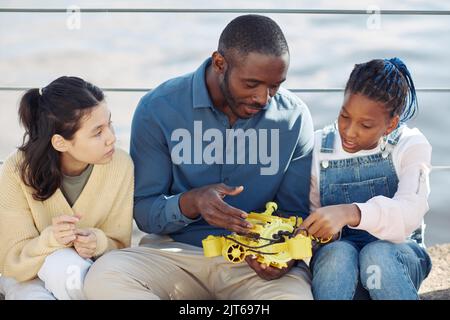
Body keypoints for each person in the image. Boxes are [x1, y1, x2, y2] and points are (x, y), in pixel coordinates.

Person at [84, 14, 315, 300]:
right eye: (252, 84)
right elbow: (143, 210)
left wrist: (283, 256)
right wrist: (191, 203)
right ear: (220, 63)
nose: (263, 98)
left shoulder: (294, 118)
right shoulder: (158, 108)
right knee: (104, 278)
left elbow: (296, 214)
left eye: (275, 86)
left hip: (253, 265)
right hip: (174, 256)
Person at [302, 58, 432, 300]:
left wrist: (350, 213)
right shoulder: (319, 146)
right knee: (337, 254)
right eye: (344, 116)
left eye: (365, 125)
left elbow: (409, 214)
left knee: (377, 254)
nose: (349, 132)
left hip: (397, 262)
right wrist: (323, 231)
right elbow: (312, 215)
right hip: (343, 270)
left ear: (391, 124)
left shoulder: (410, 145)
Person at [0, 76, 134, 300]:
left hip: (85, 271)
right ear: (61, 143)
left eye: (109, 124)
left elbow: (120, 248)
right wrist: (51, 240)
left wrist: (98, 242)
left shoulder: (120, 165)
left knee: (71, 271)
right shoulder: (16, 170)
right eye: (98, 132)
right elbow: (12, 264)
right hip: (27, 278)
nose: (111, 138)